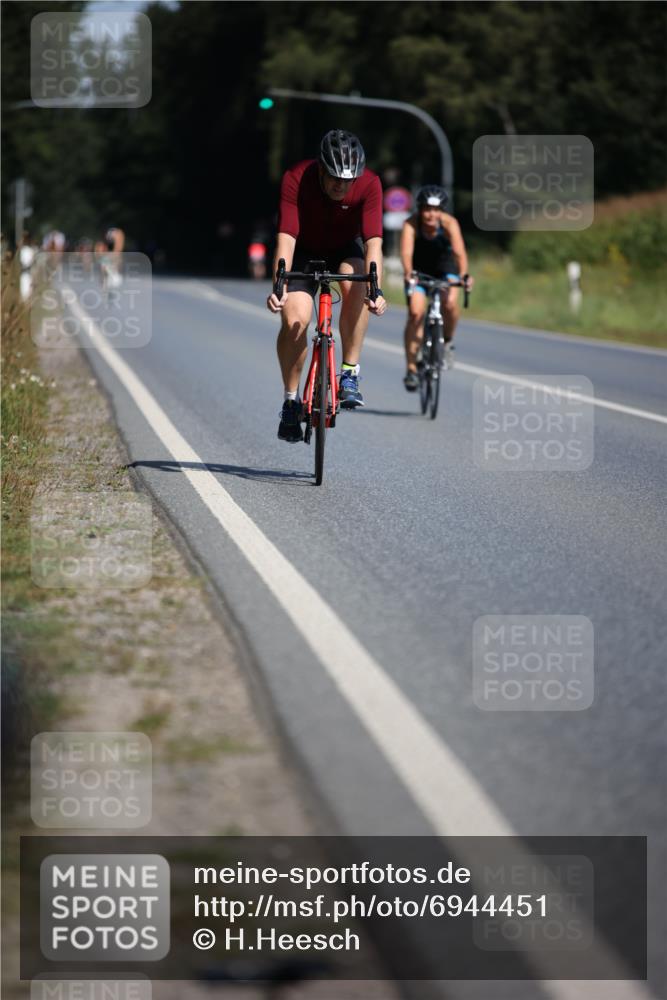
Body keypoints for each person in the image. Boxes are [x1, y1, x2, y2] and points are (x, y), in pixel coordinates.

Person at [267, 129, 387, 442]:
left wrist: (377, 290)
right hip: (304, 249)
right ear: (321, 167)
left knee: (358, 278)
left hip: (344, 248)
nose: (341, 185)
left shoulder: (370, 183)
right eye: (334, 177)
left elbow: (374, 241)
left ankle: (349, 372)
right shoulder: (296, 177)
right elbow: (287, 237)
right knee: (295, 321)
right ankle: (291, 401)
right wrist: (279, 284)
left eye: (348, 180)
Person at [400, 185, 472, 390]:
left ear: (442, 211)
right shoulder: (411, 224)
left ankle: (447, 342)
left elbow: (459, 253)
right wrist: (408, 272)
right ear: (420, 209)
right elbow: (406, 253)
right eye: (427, 209)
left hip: (445, 268)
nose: (431, 214)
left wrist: (464, 275)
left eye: (436, 210)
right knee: (415, 313)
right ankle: (412, 369)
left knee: (449, 304)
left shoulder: (450, 224)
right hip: (419, 270)